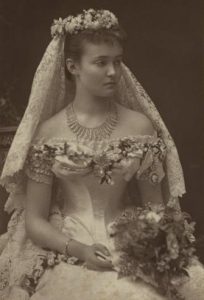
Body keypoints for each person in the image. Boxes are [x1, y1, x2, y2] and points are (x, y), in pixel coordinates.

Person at [0, 8, 203, 300]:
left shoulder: (139, 125)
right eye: (101, 62)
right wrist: (80, 250)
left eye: (117, 62)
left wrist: (150, 246)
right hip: (68, 247)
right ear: (73, 66)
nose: (113, 72)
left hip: (127, 245)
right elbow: (35, 220)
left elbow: (154, 209)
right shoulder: (49, 132)